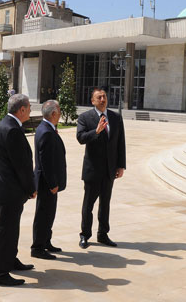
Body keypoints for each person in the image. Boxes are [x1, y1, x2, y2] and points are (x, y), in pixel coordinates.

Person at [0, 94, 37, 287]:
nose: (31, 110)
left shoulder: (6, 124)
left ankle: (10, 260)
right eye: (29, 107)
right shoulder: (12, 130)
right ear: (21, 110)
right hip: (9, 190)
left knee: (10, 229)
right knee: (6, 231)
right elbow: (21, 166)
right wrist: (31, 188)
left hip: (5, 188)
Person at [76, 87, 126, 249]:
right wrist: (95, 131)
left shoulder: (116, 117)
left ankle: (103, 234)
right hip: (92, 170)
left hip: (109, 170)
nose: (103, 99)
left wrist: (120, 165)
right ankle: (85, 235)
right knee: (88, 205)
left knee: (105, 204)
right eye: (99, 97)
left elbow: (120, 143)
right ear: (93, 101)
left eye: (104, 96)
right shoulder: (85, 118)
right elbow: (81, 138)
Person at [31, 100, 67, 260]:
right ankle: (37, 247)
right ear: (53, 114)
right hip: (47, 183)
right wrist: (53, 184)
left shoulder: (47, 128)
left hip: (49, 182)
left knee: (49, 213)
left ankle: (46, 241)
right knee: (43, 214)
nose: (60, 114)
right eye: (59, 111)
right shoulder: (46, 131)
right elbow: (45, 162)